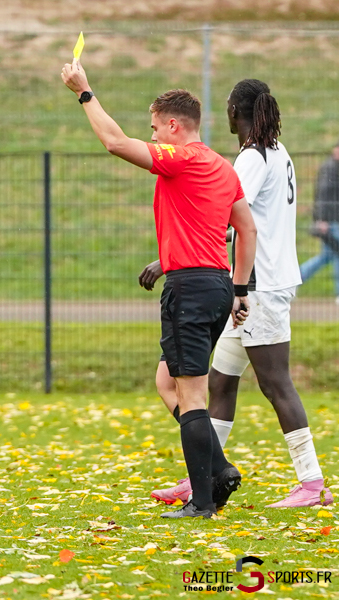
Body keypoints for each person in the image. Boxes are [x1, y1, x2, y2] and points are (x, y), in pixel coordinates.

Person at [61, 59, 257, 519]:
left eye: (154, 128)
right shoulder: (222, 167)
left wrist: (85, 93)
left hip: (189, 289)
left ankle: (202, 502)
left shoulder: (182, 159)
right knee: (167, 380)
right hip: (216, 286)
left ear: (173, 126)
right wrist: (240, 289)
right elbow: (247, 230)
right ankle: (220, 467)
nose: (152, 136)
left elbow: (114, 142)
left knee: (192, 395)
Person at [144, 80, 332, 508]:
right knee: (220, 383)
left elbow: (226, 217)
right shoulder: (277, 151)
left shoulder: (250, 157)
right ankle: (205, 476)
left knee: (276, 383)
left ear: (235, 112)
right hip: (250, 286)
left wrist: (167, 261)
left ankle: (312, 484)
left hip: (258, 287)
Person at [299, 141, 339, 300]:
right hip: (330, 221)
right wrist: (321, 219)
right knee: (334, 255)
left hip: (333, 219)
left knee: (327, 256)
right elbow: (321, 196)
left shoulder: (333, 168)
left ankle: (296, 279)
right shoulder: (330, 169)